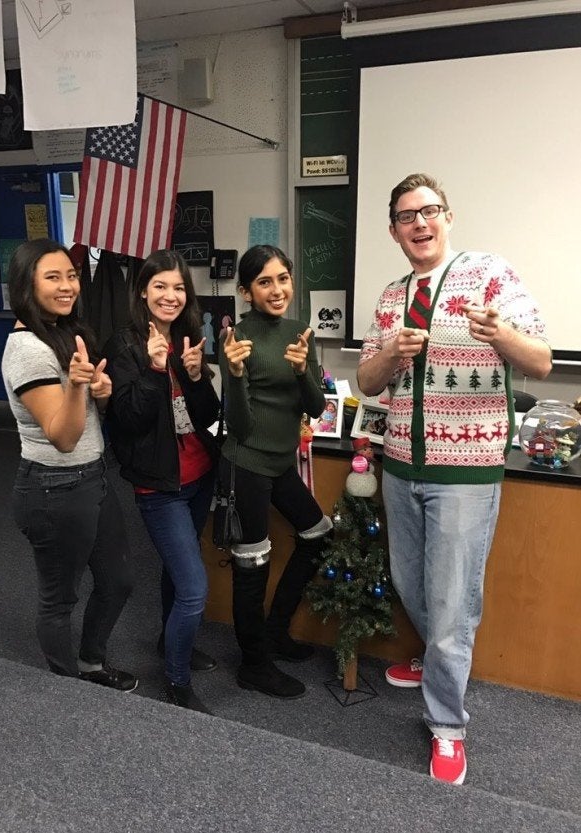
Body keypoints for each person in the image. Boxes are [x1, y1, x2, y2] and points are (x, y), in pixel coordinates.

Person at [357, 173, 551, 785]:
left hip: (466, 471)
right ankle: (443, 656)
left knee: (450, 598)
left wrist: (500, 335)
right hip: (399, 462)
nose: (420, 223)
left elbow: (541, 363)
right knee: (410, 580)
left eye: (429, 211)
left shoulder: (490, 275)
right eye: (407, 216)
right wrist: (393, 355)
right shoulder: (391, 296)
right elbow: (368, 380)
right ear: (393, 230)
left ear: (447, 216)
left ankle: (447, 726)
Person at [1, 238, 136, 691]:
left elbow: (83, 414)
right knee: (59, 600)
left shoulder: (60, 332)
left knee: (118, 581)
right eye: (52, 277)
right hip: (52, 487)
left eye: (71, 275)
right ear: (25, 285)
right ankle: (69, 691)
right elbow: (62, 437)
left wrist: (99, 391)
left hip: (91, 478)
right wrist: (79, 389)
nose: (67, 286)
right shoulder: (27, 350)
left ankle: (91, 664)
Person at [103, 250, 220, 714]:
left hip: (198, 477)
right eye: (161, 287)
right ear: (143, 292)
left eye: (178, 288)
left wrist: (194, 376)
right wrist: (154, 369)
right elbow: (127, 421)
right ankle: (176, 679)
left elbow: (208, 416)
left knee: (178, 571)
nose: (170, 296)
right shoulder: (124, 344)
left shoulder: (189, 337)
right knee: (194, 588)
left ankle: (171, 644)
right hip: (159, 487)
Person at [219, 244, 333, 699]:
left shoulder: (298, 332)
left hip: (282, 463)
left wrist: (305, 369)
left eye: (283, 278)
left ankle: (274, 630)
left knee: (319, 536)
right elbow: (242, 427)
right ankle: (253, 664)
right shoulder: (238, 339)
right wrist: (232, 373)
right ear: (246, 291)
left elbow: (317, 407)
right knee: (253, 566)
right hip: (245, 465)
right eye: (264, 282)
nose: (277, 289)